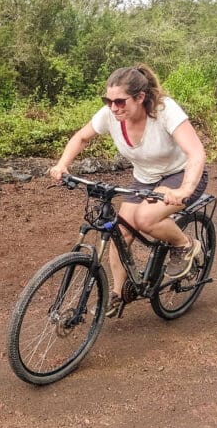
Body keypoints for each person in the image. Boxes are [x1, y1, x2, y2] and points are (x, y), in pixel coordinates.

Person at [48, 64, 207, 316]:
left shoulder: (164, 111)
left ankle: (185, 245)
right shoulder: (110, 115)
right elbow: (81, 137)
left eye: (120, 102)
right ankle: (118, 293)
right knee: (120, 231)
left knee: (145, 218)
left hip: (181, 174)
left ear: (140, 97)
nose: (113, 108)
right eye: (108, 101)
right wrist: (62, 165)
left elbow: (196, 152)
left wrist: (185, 189)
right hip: (145, 179)